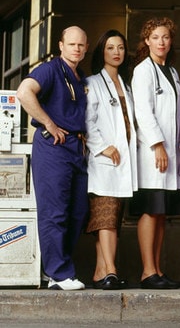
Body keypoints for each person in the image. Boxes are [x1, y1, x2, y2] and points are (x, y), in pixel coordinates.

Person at [16, 26, 89, 290]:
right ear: (61, 45)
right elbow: (24, 92)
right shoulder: (50, 69)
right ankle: (58, 274)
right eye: (71, 44)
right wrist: (48, 123)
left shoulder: (81, 77)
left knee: (78, 211)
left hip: (77, 149)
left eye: (81, 45)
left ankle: (57, 269)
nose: (76, 49)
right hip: (53, 147)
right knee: (55, 211)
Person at [131, 17, 180, 289]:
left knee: (162, 213)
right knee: (151, 211)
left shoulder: (173, 73)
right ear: (147, 41)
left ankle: (157, 270)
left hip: (170, 154)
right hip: (154, 154)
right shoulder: (143, 71)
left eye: (165, 37)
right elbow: (142, 111)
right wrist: (158, 145)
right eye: (155, 37)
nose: (161, 42)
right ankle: (147, 271)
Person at [85, 30, 137, 290]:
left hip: (122, 163)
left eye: (120, 48)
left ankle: (100, 272)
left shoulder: (126, 85)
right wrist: (102, 147)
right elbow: (87, 121)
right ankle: (112, 271)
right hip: (104, 162)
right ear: (101, 52)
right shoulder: (93, 82)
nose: (116, 52)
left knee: (113, 219)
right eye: (110, 48)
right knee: (105, 218)